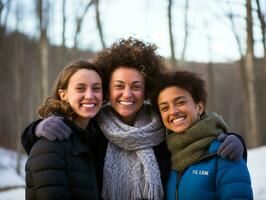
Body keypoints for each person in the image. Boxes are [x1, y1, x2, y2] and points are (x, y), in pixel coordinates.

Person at [22, 38, 246, 200]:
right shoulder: (94, 129)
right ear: (108, 91)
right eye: (119, 86)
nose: (127, 94)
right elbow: (64, 144)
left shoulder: (164, 128)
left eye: (136, 87)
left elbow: (197, 139)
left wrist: (236, 141)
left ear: (147, 91)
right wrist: (35, 129)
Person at [151, 70, 253, 200]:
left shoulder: (225, 151)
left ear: (199, 107)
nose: (173, 111)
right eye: (165, 108)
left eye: (180, 102)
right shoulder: (166, 157)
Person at [25, 60, 105, 200]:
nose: (90, 95)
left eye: (96, 88)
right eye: (80, 88)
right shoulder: (51, 143)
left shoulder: (96, 139)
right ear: (64, 95)